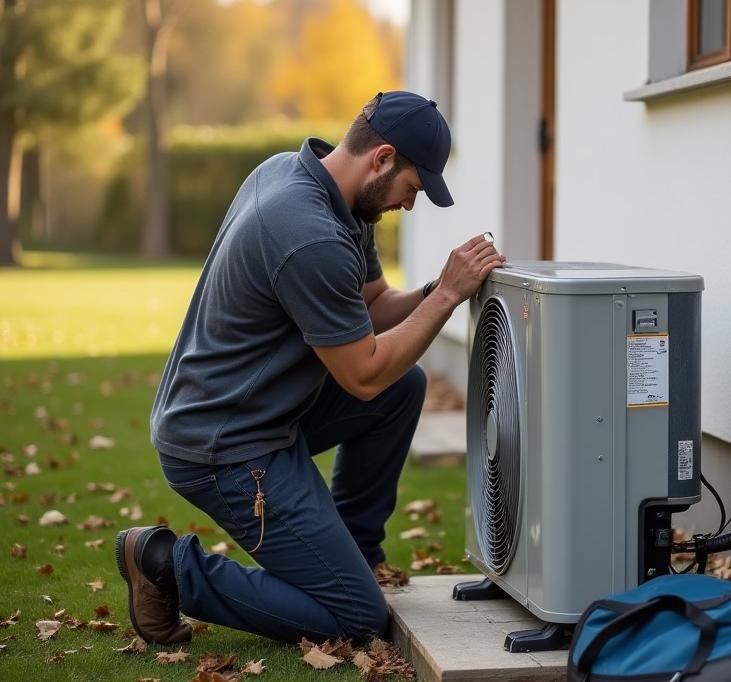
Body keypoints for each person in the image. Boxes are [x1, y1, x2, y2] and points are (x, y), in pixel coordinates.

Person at [114, 91, 505, 645]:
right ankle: (165, 565)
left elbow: (372, 304)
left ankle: (353, 555)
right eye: (413, 188)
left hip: (257, 409)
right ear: (382, 158)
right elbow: (363, 375)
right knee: (357, 618)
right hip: (224, 444)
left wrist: (437, 286)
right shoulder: (309, 233)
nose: (410, 205)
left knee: (402, 389)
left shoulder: (316, 186)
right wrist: (446, 297)